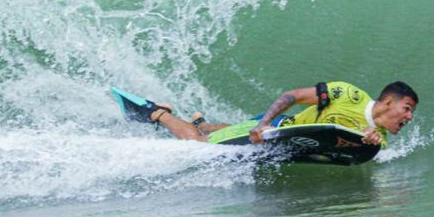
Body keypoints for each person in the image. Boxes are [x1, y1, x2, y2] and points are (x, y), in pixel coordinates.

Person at [122, 81, 418, 147]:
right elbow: (291, 97)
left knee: (235, 128)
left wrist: (364, 143)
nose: (409, 117)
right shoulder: (346, 94)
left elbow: (345, 145)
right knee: (200, 146)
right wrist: (264, 126)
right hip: (278, 125)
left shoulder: (377, 138)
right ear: (387, 102)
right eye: (407, 108)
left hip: (286, 134)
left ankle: (199, 121)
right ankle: (157, 113)